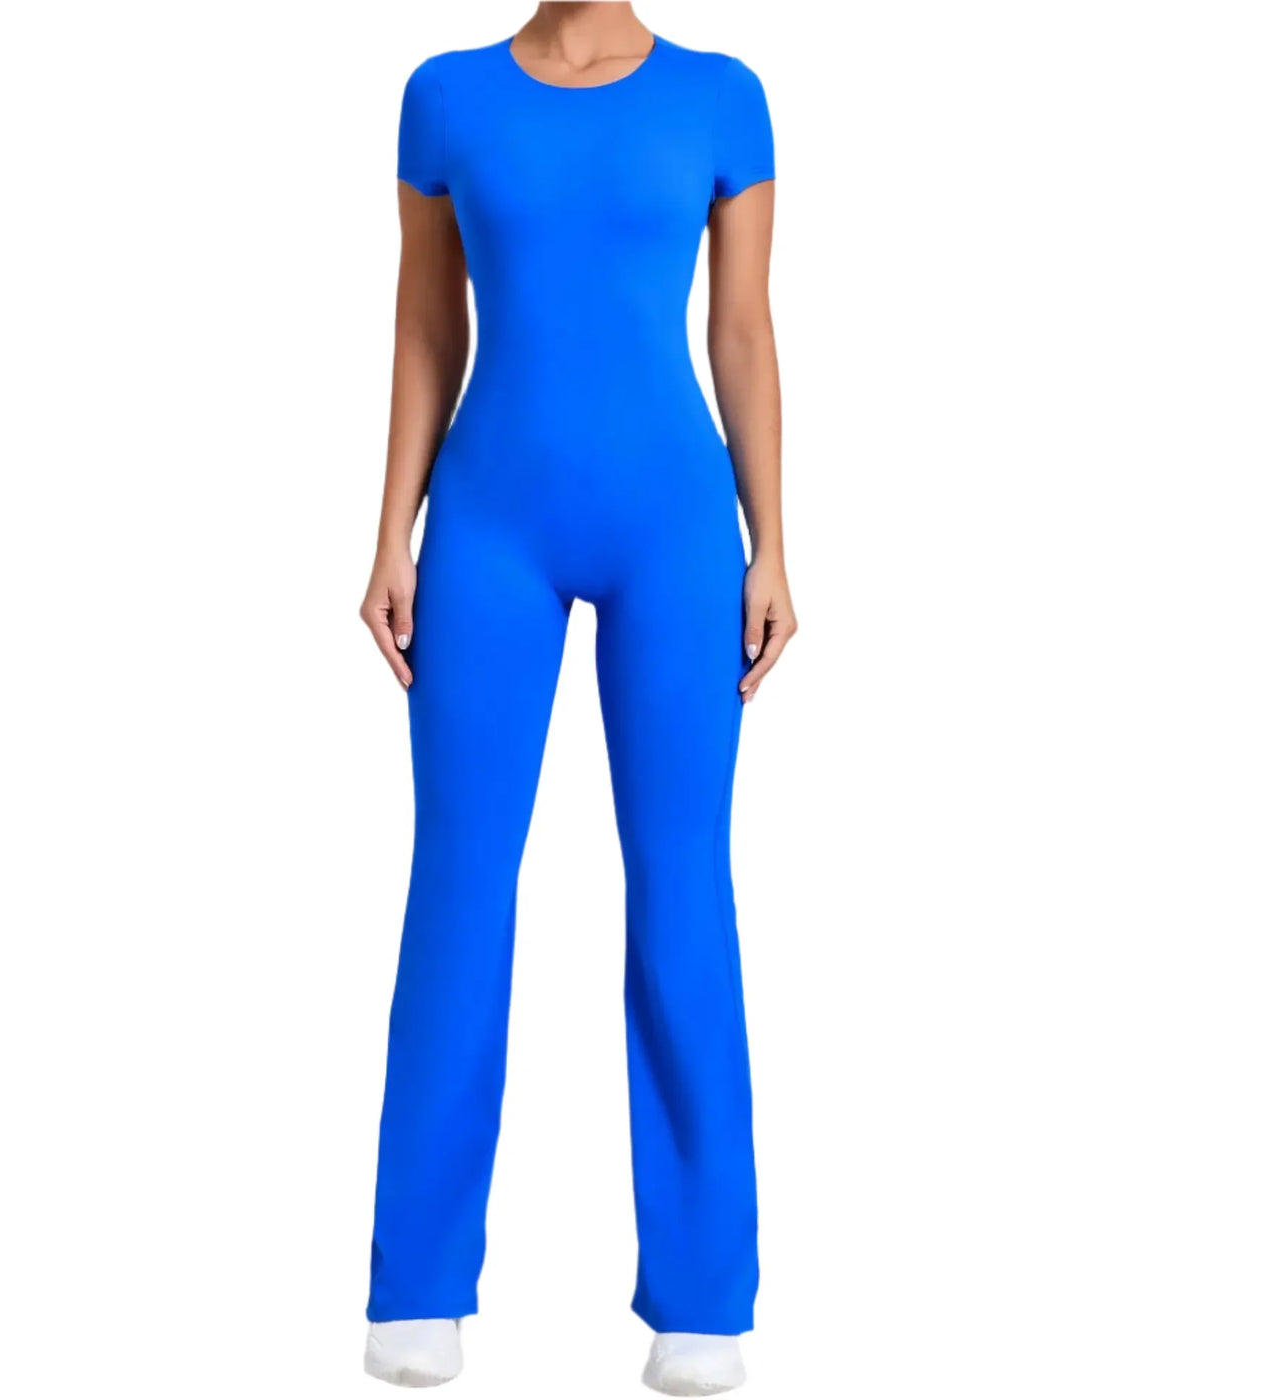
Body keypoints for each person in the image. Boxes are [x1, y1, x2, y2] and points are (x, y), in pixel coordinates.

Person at [359, 4, 795, 1391]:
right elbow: (426, 325)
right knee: (459, 883)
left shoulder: (723, 96)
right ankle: (417, 1288)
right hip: (488, 526)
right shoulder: (445, 95)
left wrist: (773, 543)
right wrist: (390, 533)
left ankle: (704, 1299)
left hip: (675, 526)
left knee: (682, 883)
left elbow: (742, 331)